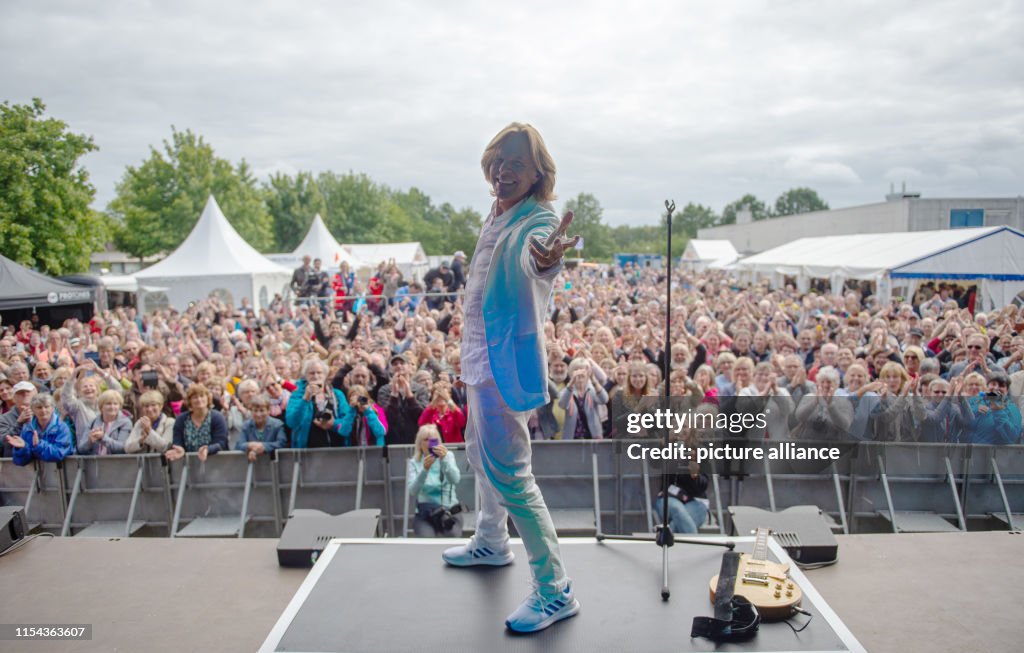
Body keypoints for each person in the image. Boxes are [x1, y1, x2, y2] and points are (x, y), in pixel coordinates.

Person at [441, 123, 581, 633]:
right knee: (480, 455)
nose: (503, 170)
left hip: (504, 368)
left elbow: (537, 257)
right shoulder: (496, 212)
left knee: (515, 478)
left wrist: (546, 260)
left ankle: (554, 590)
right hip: (479, 361)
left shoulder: (537, 219)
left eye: (516, 163)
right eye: (498, 159)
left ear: (537, 173)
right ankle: (492, 540)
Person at [407, 424, 463, 537]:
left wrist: (444, 461)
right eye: (426, 440)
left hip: (449, 510)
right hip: (425, 513)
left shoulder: (448, 456)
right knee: (427, 539)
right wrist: (424, 470)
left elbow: (455, 479)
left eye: (433, 440)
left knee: (452, 536)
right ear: (420, 443)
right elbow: (413, 491)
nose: (430, 443)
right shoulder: (414, 462)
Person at [285, 358, 353, 448]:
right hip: (307, 452)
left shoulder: (337, 394)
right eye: (312, 373)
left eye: (319, 373)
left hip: (337, 451)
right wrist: (305, 399)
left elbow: (348, 423)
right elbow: (292, 422)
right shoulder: (297, 395)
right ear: (305, 376)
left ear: (325, 375)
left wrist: (333, 424)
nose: (316, 376)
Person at [166, 384, 229, 462]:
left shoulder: (217, 417)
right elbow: (177, 441)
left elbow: (221, 442)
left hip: (216, 462)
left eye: (202, 396)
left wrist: (207, 449)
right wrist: (179, 449)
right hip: (190, 464)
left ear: (208, 398)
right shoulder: (181, 419)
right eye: (195, 397)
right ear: (189, 401)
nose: (199, 399)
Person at [8, 393, 75, 466]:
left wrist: (39, 445)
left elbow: (59, 453)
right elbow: (20, 462)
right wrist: (22, 448)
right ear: (33, 409)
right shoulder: (27, 428)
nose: (43, 410)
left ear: (52, 408)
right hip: (36, 475)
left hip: (61, 473)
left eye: (46, 407)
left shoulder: (62, 427)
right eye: (39, 407)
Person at [78, 389, 132, 455]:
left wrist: (103, 438)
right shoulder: (92, 422)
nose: (112, 407)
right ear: (101, 407)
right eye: (108, 404)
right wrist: (89, 441)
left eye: (115, 404)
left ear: (120, 406)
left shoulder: (125, 423)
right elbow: (81, 449)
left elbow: (122, 448)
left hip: (117, 463)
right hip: (95, 464)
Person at [235, 394, 287, 460]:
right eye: (255, 410)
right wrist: (249, 445)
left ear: (268, 411)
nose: (258, 414)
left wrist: (264, 447)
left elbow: (282, 443)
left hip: (273, 464)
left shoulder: (277, 425)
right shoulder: (246, 425)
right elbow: (238, 445)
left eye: (262, 410)